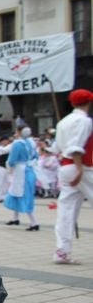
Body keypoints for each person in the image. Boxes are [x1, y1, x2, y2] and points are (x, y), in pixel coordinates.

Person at [52, 88, 93, 264]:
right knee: (67, 208)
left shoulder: (63, 122)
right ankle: (62, 251)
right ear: (89, 102)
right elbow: (76, 146)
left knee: (66, 209)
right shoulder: (83, 120)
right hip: (81, 166)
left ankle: (62, 251)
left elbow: (56, 148)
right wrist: (80, 169)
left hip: (65, 167)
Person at [3, 127, 39, 230]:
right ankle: (15, 218)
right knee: (17, 193)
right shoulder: (31, 143)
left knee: (21, 194)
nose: (15, 133)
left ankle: (34, 222)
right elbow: (36, 157)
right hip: (29, 170)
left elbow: (12, 159)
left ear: (19, 132)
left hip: (20, 171)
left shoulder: (17, 144)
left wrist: (9, 166)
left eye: (16, 131)